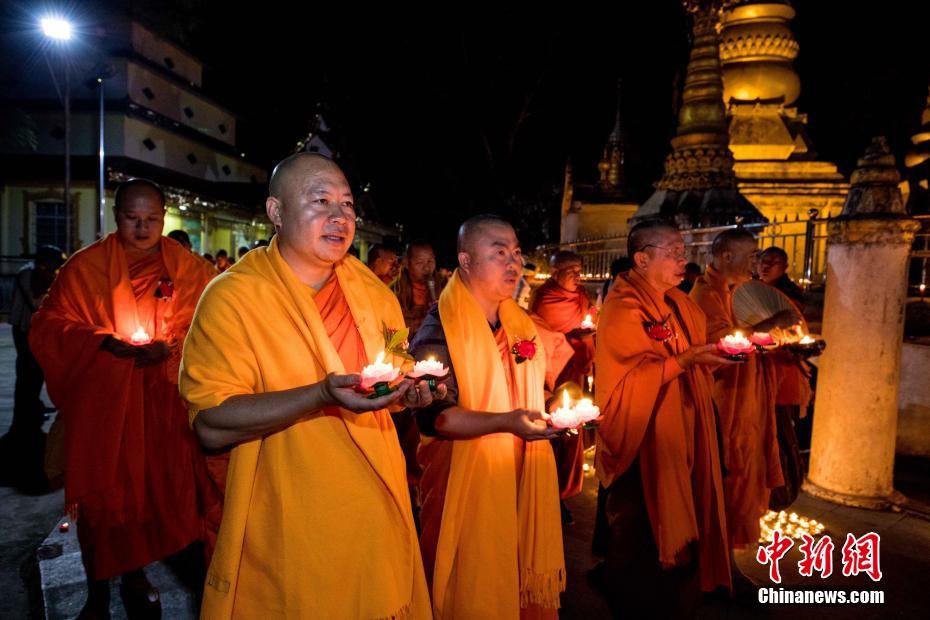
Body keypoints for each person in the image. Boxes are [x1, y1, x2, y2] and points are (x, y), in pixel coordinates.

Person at [180, 153, 435, 619]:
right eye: (321, 201)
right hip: (287, 517)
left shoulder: (376, 295)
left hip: (373, 505)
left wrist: (409, 393)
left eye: (347, 204)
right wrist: (318, 396)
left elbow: (393, 370)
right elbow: (211, 425)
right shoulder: (232, 298)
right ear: (276, 212)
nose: (340, 216)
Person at [29, 178, 219, 619]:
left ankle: (140, 575)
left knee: (162, 495)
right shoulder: (86, 267)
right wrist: (99, 341)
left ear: (164, 217)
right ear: (116, 217)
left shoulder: (187, 269)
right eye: (132, 218)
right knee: (104, 501)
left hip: (164, 410)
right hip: (105, 410)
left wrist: (170, 346)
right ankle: (99, 592)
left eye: (151, 218)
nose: (142, 228)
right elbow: (49, 324)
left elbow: (213, 322)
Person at [411, 214, 566, 618]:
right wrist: (506, 422)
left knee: (513, 571)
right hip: (465, 481)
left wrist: (553, 409)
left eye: (516, 252)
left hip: (518, 473)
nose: (513, 263)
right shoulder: (440, 328)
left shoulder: (518, 323)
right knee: (472, 583)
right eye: (499, 253)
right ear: (465, 261)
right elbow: (439, 419)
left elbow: (529, 390)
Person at [595, 220, 732, 617]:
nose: (682, 260)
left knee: (682, 532)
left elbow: (688, 357)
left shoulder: (678, 302)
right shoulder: (623, 306)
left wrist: (713, 356)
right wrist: (686, 360)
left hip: (682, 427)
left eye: (683, 252)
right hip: (642, 435)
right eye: (673, 252)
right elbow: (626, 383)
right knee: (641, 540)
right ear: (642, 259)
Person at [689, 229, 791, 558]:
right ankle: (715, 557)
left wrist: (776, 337)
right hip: (724, 399)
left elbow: (748, 336)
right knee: (728, 470)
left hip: (748, 396)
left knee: (746, 468)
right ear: (727, 256)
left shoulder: (738, 292)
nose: (756, 263)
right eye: (751, 256)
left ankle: (725, 555)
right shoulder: (706, 294)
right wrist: (770, 323)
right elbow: (720, 343)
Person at [530, 250, 594, 516]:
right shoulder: (545, 298)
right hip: (552, 374)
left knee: (573, 432)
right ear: (556, 273)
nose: (578, 276)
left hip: (575, 370)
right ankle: (546, 491)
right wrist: (574, 336)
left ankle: (563, 491)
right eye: (572, 271)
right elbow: (543, 333)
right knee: (553, 429)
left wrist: (587, 333)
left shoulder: (581, 295)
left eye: (580, 270)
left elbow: (589, 318)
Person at [392, 241, 439, 336]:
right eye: (420, 262)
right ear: (406, 263)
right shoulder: (395, 290)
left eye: (430, 261)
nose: (427, 268)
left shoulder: (443, 287)